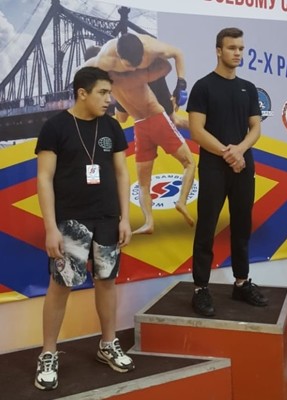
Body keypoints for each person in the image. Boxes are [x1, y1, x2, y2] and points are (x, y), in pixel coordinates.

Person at [34, 67, 134, 391]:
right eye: (103, 93)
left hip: (107, 219)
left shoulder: (112, 126)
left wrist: (125, 218)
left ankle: (108, 343)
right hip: (70, 222)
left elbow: (122, 173)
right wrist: (51, 228)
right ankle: (48, 353)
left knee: (107, 281)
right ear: (82, 93)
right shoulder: (55, 127)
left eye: (109, 93)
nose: (109, 99)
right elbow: (44, 179)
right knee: (60, 286)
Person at [186, 27, 268, 317]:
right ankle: (200, 288)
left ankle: (241, 282)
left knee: (242, 225)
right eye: (232, 48)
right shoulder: (203, 86)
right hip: (214, 167)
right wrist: (227, 153)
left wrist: (240, 150)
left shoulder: (248, 88)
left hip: (243, 165)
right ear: (218, 51)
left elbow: (255, 128)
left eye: (241, 48)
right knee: (207, 226)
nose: (237, 53)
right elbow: (196, 131)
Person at [85, 33, 195, 234]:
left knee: (143, 184)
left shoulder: (109, 86)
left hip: (140, 127)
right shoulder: (138, 74)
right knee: (189, 163)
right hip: (157, 119)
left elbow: (120, 118)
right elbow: (166, 67)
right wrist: (151, 68)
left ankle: (148, 222)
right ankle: (181, 201)